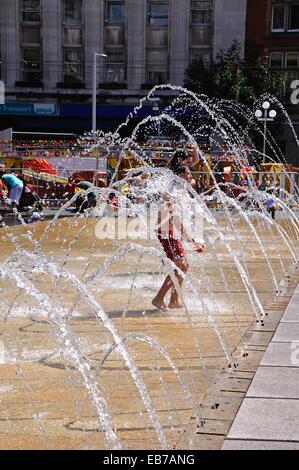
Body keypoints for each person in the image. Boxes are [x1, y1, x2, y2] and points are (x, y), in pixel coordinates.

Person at [152, 165, 205, 311]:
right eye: (188, 174)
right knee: (181, 265)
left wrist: (190, 240)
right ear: (181, 175)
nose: (190, 176)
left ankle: (174, 300)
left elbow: (176, 218)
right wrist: (189, 240)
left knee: (183, 266)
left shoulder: (178, 191)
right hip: (165, 234)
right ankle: (159, 298)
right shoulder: (173, 192)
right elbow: (172, 216)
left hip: (168, 234)